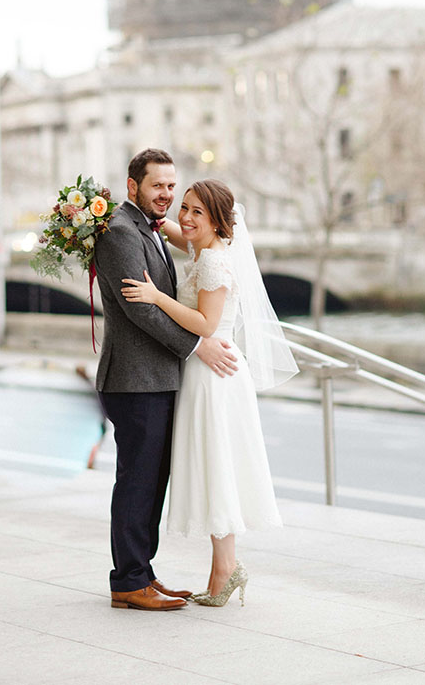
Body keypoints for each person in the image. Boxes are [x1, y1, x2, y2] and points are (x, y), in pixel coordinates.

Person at [122, 179, 298, 607]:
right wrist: (152, 218)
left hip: (213, 372)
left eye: (197, 212)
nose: (186, 217)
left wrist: (156, 297)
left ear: (218, 220)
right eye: (185, 207)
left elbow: (204, 323)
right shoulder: (204, 247)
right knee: (215, 467)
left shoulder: (216, 263)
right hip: (204, 370)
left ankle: (226, 568)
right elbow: (178, 233)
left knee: (219, 465)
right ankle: (225, 569)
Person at [93, 149, 238, 611]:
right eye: (159, 186)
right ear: (133, 185)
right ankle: (128, 582)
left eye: (172, 187)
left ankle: (143, 574)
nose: (168, 195)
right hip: (135, 379)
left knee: (151, 482)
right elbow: (141, 309)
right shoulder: (120, 232)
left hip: (156, 378)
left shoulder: (148, 229)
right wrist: (198, 347)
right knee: (137, 483)